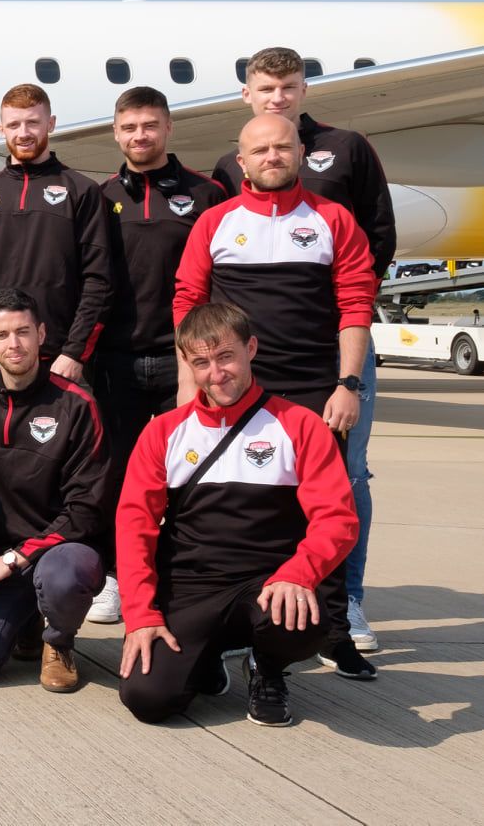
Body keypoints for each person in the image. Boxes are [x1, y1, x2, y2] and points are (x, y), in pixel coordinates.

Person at [174, 111, 379, 679]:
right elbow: (189, 303)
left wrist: (348, 384)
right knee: (228, 508)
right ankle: (237, 625)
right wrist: (189, 386)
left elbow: (356, 304)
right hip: (234, 390)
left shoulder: (333, 219)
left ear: (299, 154)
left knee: (326, 514)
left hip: (316, 389)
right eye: (259, 149)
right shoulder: (215, 222)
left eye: (282, 147)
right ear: (241, 160)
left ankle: (335, 633)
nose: (272, 156)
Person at [212, 46, 394, 666]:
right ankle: (259, 608)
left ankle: (345, 608)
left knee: (344, 482)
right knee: (255, 484)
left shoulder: (347, 150)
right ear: (247, 94)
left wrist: (348, 363)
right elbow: (203, 284)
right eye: (265, 87)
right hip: (250, 368)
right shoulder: (224, 169)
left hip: (333, 356)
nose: (277, 97)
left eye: (288, 86)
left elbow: (374, 245)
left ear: (304, 90)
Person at [117, 301, 358, 727]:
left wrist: (299, 573)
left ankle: (267, 668)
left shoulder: (299, 425)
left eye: (226, 356)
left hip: (268, 583)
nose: (216, 372)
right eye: (202, 363)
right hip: (192, 585)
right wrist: (140, 614)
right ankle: (205, 654)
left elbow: (338, 520)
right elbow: (134, 526)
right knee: (147, 699)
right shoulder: (164, 431)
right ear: (189, 366)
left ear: (251, 347)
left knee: (301, 622)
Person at [87, 86, 230, 624]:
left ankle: (187, 578)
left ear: (168, 128)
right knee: (120, 478)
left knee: (191, 475)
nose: (139, 136)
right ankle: (119, 578)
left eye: (149, 125)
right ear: (116, 132)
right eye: (129, 127)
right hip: (117, 361)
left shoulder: (208, 194)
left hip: (186, 362)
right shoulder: (99, 197)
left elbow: (221, 280)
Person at [0, 288, 112, 692]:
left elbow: (87, 509)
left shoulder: (77, 404)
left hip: (60, 549)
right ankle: (25, 619)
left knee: (65, 575)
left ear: (42, 334)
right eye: (4, 334)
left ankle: (58, 641)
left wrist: (14, 560)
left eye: (24, 332)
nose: (15, 344)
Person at [0, 84, 113, 386]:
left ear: (51, 123)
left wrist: (74, 353)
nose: (23, 133)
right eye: (14, 125)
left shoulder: (82, 191)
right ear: (1, 128)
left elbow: (98, 280)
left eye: (33, 122)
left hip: (57, 360)